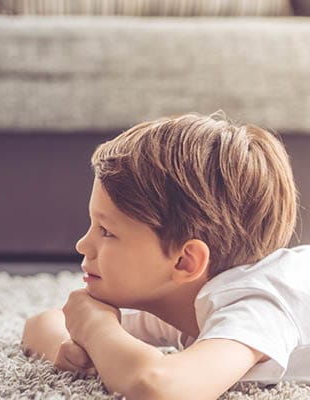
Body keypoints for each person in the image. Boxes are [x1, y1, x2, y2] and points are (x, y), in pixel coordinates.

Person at [21, 113, 310, 399]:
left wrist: (95, 328)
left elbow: (159, 388)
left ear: (185, 262)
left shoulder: (256, 303)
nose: (82, 245)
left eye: (106, 231)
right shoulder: (179, 298)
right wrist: (72, 347)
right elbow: (41, 323)